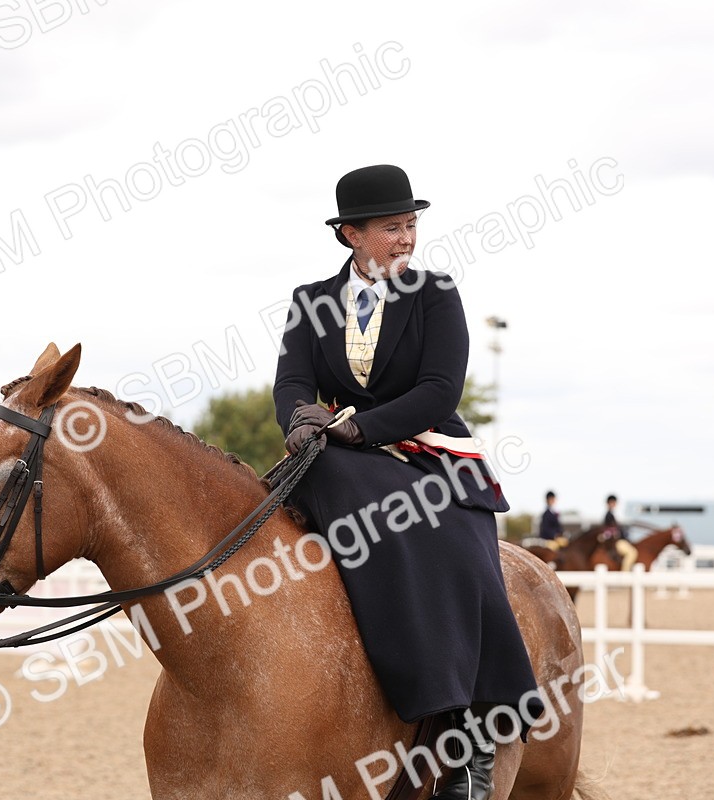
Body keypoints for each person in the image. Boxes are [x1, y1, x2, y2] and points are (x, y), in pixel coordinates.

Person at [274, 164, 539, 800]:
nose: (407, 239)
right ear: (350, 235)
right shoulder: (310, 301)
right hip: (336, 458)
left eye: (411, 225)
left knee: (458, 554)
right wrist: (300, 425)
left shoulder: (435, 294)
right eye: (392, 227)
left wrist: (356, 429)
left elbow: (440, 390)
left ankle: (471, 740)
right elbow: (290, 384)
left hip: (431, 456)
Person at [602, 494, 637, 572]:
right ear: (608, 503)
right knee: (632, 553)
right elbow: (609, 531)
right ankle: (625, 573)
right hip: (617, 541)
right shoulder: (609, 516)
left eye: (614, 502)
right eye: (612, 502)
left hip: (618, 539)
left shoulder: (612, 515)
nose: (613, 504)